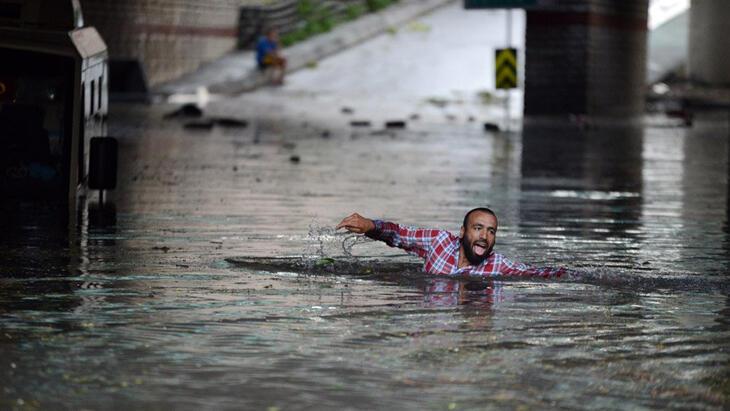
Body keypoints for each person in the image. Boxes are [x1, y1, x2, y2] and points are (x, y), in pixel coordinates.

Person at [336, 208, 566, 278]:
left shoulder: (498, 266)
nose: (484, 237)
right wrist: (371, 226)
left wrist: (582, 276)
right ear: (463, 232)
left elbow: (538, 273)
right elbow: (399, 234)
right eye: (478, 229)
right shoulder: (439, 242)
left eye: (491, 231)